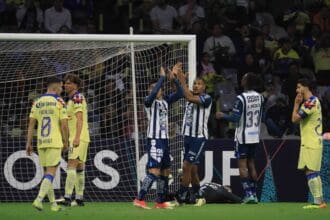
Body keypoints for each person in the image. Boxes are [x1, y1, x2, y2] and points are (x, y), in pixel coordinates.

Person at [133, 65, 183, 209]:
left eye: (158, 87)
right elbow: (153, 93)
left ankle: (160, 202)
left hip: (165, 139)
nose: (155, 89)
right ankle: (139, 199)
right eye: (152, 88)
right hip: (154, 139)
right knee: (154, 171)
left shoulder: (165, 101)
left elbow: (180, 93)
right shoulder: (149, 102)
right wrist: (161, 78)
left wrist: (173, 80)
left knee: (165, 171)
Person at [216, 72, 264, 204]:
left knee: (242, 165)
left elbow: (235, 118)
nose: (241, 80)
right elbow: (262, 116)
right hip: (255, 135)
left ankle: (249, 195)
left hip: (243, 137)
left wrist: (223, 115)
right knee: (251, 164)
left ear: (246, 82)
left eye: (243, 78)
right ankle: (254, 194)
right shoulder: (260, 97)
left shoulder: (241, 98)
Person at [26, 76, 69, 211]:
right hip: (55, 141)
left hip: (41, 142)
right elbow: (64, 125)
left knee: (47, 174)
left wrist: (28, 142)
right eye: (61, 87)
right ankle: (38, 200)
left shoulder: (37, 102)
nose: (62, 89)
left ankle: (53, 205)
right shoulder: (59, 101)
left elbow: (31, 124)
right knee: (51, 173)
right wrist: (66, 141)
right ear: (55, 88)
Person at [175, 64, 212, 206]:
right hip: (188, 137)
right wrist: (175, 79)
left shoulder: (207, 99)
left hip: (199, 138)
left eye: (199, 84)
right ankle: (199, 196)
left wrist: (182, 80)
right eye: (195, 83)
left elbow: (189, 97)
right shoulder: (190, 95)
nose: (196, 86)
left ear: (204, 87)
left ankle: (181, 197)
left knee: (186, 167)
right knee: (193, 170)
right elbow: (181, 92)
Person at [291, 78, 327, 209]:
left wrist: (296, 104)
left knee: (311, 172)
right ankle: (319, 201)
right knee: (311, 171)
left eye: (299, 87)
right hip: (311, 142)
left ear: (306, 87)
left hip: (311, 142)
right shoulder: (312, 101)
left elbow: (294, 119)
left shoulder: (310, 102)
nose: (297, 90)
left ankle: (319, 202)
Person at [60, 74, 90, 206]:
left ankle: (67, 197)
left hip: (78, 137)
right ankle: (79, 198)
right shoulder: (71, 100)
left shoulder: (77, 97)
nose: (65, 85)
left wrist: (77, 137)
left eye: (68, 83)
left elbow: (80, 118)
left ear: (76, 85)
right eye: (65, 83)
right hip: (81, 137)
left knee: (71, 165)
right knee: (79, 167)